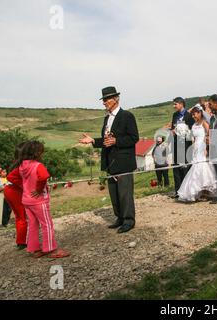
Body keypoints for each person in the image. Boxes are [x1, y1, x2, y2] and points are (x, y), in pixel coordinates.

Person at [80, 87, 139, 234]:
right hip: (110, 162)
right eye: (104, 100)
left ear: (116, 99)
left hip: (123, 162)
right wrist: (93, 140)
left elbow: (133, 138)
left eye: (107, 100)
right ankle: (119, 217)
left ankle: (128, 220)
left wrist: (116, 141)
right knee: (114, 193)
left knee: (125, 193)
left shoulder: (127, 116)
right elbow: (107, 140)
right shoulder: (107, 118)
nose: (104, 103)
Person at [19, 141, 69, 258]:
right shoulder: (37, 165)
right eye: (41, 152)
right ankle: (51, 249)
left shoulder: (22, 165)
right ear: (37, 153)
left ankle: (34, 249)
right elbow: (44, 176)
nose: (42, 154)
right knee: (47, 224)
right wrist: (39, 189)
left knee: (32, 225)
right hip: (38, 200)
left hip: (26, 200)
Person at [177, 106, 217, 202]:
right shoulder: (194, 125)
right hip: (196, 148)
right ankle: (199, 191)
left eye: (195, 113)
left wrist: (207, 148)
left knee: (204, 167)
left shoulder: (204, 123)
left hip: (203, 147)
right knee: (196, 168)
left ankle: (206, 191)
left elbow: (209, 135)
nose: (193, 116)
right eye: (192, 114)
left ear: (200, 113)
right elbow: (193, 138)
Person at [170, 97, 195, 199]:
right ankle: (177, 191)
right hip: (176, 144)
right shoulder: (175, 115)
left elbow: (191, 130)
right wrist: (173, 131)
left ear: (181, 104)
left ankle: (185, 190)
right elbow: (173, 127)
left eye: (175, 104)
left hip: (186, 145)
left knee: (185, 168)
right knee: (176, 168)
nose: (174, 106)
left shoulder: (189, 116)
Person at [5, 142, 29, 249]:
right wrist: (24, 187)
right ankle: (21, 242)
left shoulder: (16, 164)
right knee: (22, 215)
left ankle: (21, 240)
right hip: (14, 191)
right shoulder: (22, 165)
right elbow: (10, 177)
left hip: (9, 190)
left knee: (19, 216)